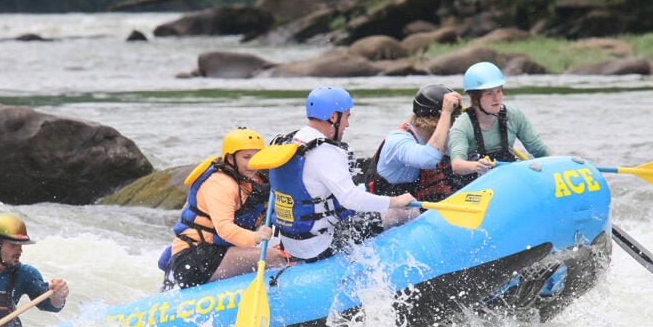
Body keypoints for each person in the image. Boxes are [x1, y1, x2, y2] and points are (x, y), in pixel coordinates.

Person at [267, 87, 417, 263]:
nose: (347, 124)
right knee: (404, 212)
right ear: (333, 117)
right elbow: (350, 199)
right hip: (320, 244)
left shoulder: (289, 141)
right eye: (347, 116)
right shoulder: (326, 151)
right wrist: (396, 201)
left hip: (291, 242)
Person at [162, 128, 286, 288]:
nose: (251, 163)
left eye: (256, 157)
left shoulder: (252, 180)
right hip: (194, 257)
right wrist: (256, 237)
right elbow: (224, 228)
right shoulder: (220, 183)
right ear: (230, 158)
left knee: (279, 248)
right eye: (246, 157)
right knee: (275, 258)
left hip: (219, 250)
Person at [364, 83, 491, 202]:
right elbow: (429, 159)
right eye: (452, 117)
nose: (454, 122)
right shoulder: (398, 140)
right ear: (431, 118)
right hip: (389, 211)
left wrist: (478, 165)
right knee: (402, 212)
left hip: (419, 202)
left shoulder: (444, 138)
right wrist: (446, 112)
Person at [449, 61, 551, 177]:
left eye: (498, 91)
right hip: (477, 183)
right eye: (489, 93)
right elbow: (457, 165)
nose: (496, 98)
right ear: (475, 98)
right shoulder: (462, 125)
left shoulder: (514, 116)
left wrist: (562, 163)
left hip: (508, 178)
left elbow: (540, 150)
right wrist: (476, 166)